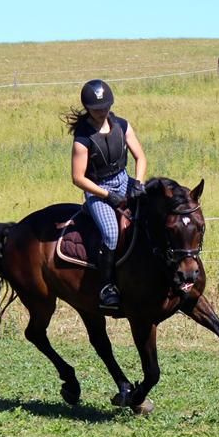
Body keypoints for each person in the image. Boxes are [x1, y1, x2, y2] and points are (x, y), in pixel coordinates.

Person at [65, 79, 148, 311]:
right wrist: (107, 195)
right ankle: (106, 286)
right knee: (111, 234)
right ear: (87, 108)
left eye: (105, 107)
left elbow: (140, 157)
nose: (102, 112)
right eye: (96, 109)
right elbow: (78, 178)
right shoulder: (83, 138)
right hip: (97, 189)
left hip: (124, 180)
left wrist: (139, 182)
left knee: (152, 214)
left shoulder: (122, 125)